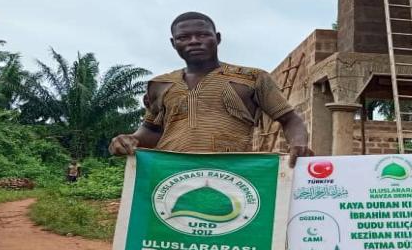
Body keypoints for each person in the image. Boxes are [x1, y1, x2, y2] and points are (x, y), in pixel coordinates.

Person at [109, 11, 313, 165]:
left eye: (203, 35)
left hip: (233, 173)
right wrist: (131, 139)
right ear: (173, 43)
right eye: (183, 37)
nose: (194, 41)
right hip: (170, 175)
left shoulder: (252, 78)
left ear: (217, 38)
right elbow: (152, 130)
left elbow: (290, 119)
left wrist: (299, 144)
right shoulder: (160, 84)